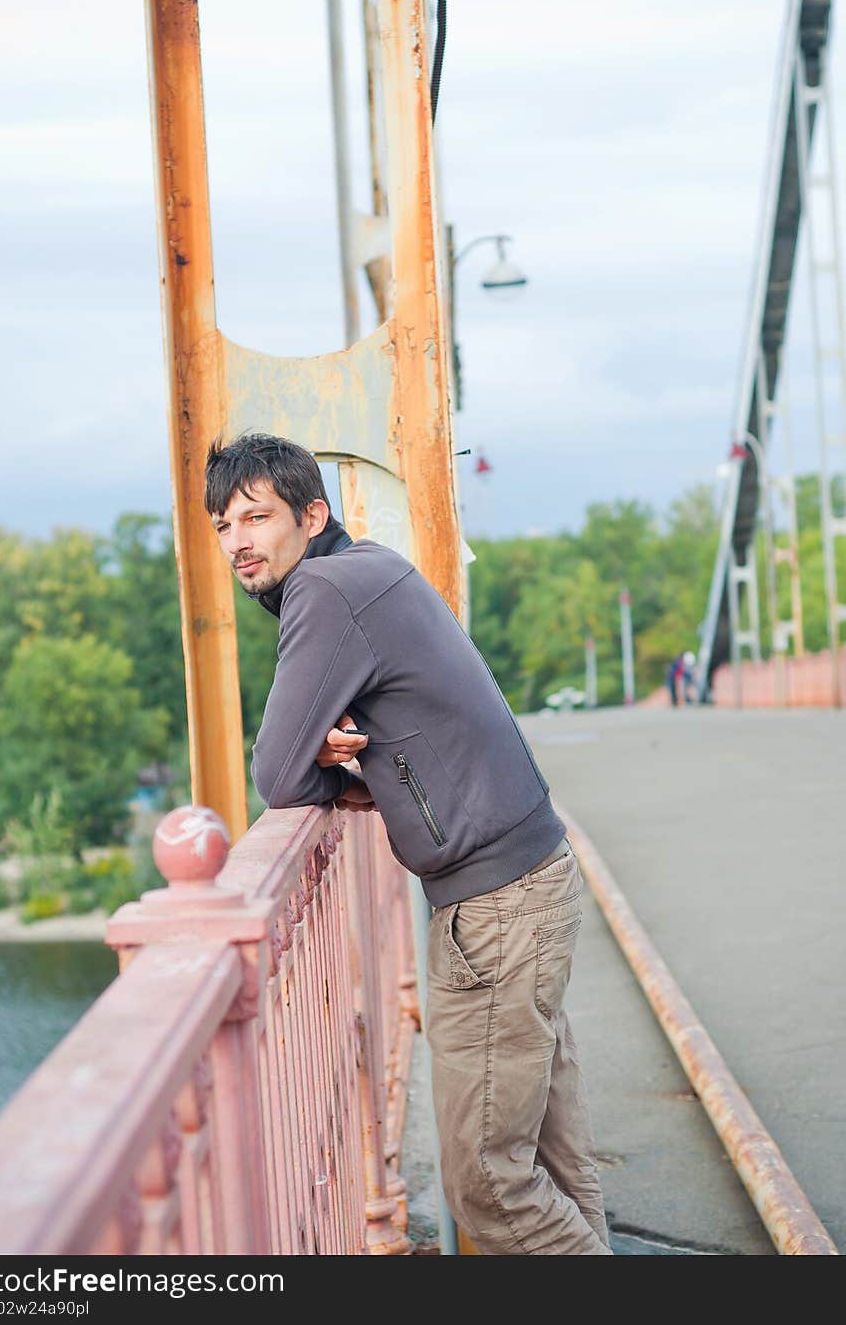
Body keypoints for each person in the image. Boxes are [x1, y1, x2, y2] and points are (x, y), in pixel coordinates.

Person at [205, 432, 612, 1256]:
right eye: (222, 523)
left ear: (312, 516)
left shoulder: (322, 587)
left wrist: (320, 763)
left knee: (490, 1188)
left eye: (257, 517)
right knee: (552, 1164)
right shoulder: (371, 567)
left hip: (494, 908)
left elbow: (277, 773)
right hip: (528, 877)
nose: (237, 541)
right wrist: (341, 757)